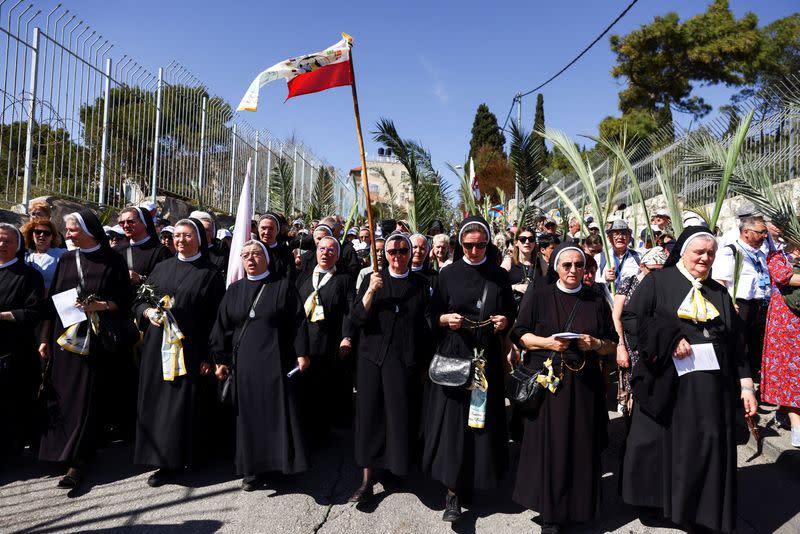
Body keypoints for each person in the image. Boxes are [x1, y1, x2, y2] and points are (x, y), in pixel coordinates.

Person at [620, 227, 757, 533]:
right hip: (669, 381)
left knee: (705, 446)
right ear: (682, 252)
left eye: (710, 253)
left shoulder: (719, 292)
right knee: (659, 446)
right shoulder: (657, 282)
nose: (705, 258)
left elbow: (736, 344)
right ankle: (656, 502)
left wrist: (746, 385)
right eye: (699, 252)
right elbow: (631, 319)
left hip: (710, 388)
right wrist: (667, 339)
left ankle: (700, 510)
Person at [510, 243, 618, 534]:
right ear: (556, 266)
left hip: (584, 386)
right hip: (549, 385)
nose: (573, 270)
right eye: (566, 265)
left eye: (578, 265)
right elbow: (519, 335)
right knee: (552, 448)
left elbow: (612, 342)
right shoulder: (540, 296)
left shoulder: (595, 300)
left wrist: (594, 344)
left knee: (582, 445)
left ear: (585, 268)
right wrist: (547, 343)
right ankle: (551, 515)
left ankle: (581, 506)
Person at [421, 216, 516, 523]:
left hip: (485, 358)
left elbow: (511, 314)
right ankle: (452, 492)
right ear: (459, 244)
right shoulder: (446, 275)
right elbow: (430, 316)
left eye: (480, 245)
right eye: (468, 245)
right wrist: (442, 320)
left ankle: (474, 479)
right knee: (453, 425)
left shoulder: (498, 277)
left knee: (479, 422)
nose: (474, 250)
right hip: (455, 356)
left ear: (488, 244)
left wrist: (504, 323)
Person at [38, 210, 132, 488]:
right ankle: (59, 451)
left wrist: (99, 306)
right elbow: (52, 302)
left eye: (72, 230)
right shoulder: (67, 258)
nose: (66, 235)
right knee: (62, 395)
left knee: (85, 398)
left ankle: (78, 461)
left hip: (94, 340)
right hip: (64, 338)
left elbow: (124, 302)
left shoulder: (112, 260)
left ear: (88, 230)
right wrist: (44, 338)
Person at [210, 240, 310, 490]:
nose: (250, 259)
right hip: (244, 364)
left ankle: (282, 464)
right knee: (249, 417)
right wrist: (220, 359)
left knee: (277, 412)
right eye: (245, 255)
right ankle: (252, 470)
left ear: (266, 257)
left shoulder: (282, 285)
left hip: (277, 361)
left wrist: (302, 353)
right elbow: (221, 325)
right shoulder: (234, 289)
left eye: (256, 254)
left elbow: (298, 322)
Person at [134, 218, 225, 487]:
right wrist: (147, 312)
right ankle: (162, 459)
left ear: (199, 239)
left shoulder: (209, 273)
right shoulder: (160, 268)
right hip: (156, 346)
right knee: (158, 403)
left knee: (182, 405)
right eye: (177, 235)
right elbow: (138, 301)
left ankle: (187, 456)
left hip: (190, 348)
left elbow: (216, 319)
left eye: (187, 235)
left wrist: (211, 356)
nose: (181, 240)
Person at [347, 232, 432, 502]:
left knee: (398, 416)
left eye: (402, 251)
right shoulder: (374, 280)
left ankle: (396, 467)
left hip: (403, 360)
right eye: (392, 252)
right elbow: (358, 318)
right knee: (369, 416)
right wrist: (371, 290)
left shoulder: (421, 284)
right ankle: (367, 480)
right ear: (385, 255)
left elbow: (426, 326)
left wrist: (422, 362)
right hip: (372, 358)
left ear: (411, 254)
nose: (397, 256)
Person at [295, 236, 355, 441]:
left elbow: (349, 311)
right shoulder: (303, 276)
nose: (326, 253)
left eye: (331, 250)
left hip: (329, 341)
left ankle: (320, 432)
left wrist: (346, 337)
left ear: (337, 255)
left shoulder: (344, 279)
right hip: (304, 340)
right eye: (322, 249)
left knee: (323, 388)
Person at [0, 224, 45, 458]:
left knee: (11, 403)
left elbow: (35, 312)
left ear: (17, 245)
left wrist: (4, 316)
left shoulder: (29, 275)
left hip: (14, 349)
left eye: (7, 241)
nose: (2, 245)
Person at [711, 213, 770, 380]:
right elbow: (719, 281)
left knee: (756, 347)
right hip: (740, 305)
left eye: (765, 233)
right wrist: (728, 303)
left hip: (760, 306)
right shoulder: (730, 252)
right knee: (739, 346)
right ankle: (738, 388)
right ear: (746, 232)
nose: (764, 236)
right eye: (761, 232)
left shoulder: (760, 255)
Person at [612, 247, 668, 422]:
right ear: (642, 266)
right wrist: (620, 346)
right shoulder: (629, 282)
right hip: (632, 345)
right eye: (652, 270)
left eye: (661, 270)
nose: (656, 274)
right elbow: (617, 315)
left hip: (658, 347)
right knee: (633, 391)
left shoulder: (665, 286)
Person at [760, 242, 800, 446]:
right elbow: (783, 276)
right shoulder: (777, 256)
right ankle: (796, 425)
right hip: (785, 319)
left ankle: (783, 412)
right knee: (787, 368)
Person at [117, 207, 172, 289]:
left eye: (130, 222)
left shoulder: (161, 252)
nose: (125, 226)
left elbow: (166, 282)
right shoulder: (117, 250)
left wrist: (140, 279)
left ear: (144, 223)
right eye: (122, 223)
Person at [501, 227, 544, 305]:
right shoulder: (509, 261)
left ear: (535, 243)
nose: (527, 242)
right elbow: (497, 285)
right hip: (514, 310)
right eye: (523, 239)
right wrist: (515, 287)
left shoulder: (541, 262)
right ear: (516, 242)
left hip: (536, 308)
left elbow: (548, 286)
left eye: (531, 239)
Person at [597, 220, 641, 294]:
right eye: (616, 234)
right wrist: (605, 279)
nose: (620, 237)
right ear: (609, 238)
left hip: (630, 302)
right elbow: (594, 284)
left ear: (629, 238)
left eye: (624, 234)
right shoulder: (600, 258)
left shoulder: (638, 257)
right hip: (608, 302)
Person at [22, 217, 65, 290]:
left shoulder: (62, 254)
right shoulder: (25, 257)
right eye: (38, 232)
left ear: (52, 237)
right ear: (32, 235)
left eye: (47, 233)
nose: (42, 235)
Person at [190, 210, 229, 277]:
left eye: (207, 230)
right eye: (201, 229)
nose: (204, 233)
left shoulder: (222, 252)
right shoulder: (186, 250)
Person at [258, 213, 294, 280]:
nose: (266, 232)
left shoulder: (285, 253)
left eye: (271, 228)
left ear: (277, 230)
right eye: (263, 228)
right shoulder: (251, 251)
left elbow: (289, 278)